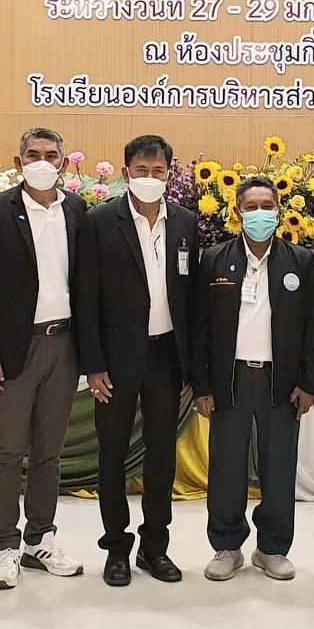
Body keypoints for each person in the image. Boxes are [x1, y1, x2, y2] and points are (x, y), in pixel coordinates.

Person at [75, 135, 198, 586]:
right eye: (141, 170)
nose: (150, 178)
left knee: (162, 455)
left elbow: (191, 297)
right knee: (112, 455)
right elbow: (85, 296)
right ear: (126, 172)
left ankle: (154, 547)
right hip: (114, 359)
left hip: (166, 357)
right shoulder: (99, 221)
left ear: (169, 173)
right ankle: (116, 548)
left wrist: (191, 366)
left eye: (158, 171)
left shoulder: (185, 221)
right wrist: (93, 364)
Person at [0, 127, 88, 589]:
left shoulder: (76, 209)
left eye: (50, 155)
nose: (42, 161)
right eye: (32, 154)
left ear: (64, 163)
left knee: (48, 452)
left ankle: (40, 538)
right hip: (15, 349)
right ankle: (4, 546)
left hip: (65, 344)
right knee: (7, 451)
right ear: (18, 163)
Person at [191, 177, 314, 581]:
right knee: (226, 465)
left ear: (279, 211)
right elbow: (200, 328)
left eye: (268, 205)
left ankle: (273, 548)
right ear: (238, 212)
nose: (260, 213)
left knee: (279, 465)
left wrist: (310, 382)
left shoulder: (300, 261)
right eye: (252, 206)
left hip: (280, 381)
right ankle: (227, 545)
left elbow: (313, 325)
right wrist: (202, 385)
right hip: (229, 380)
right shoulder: (214, 259)